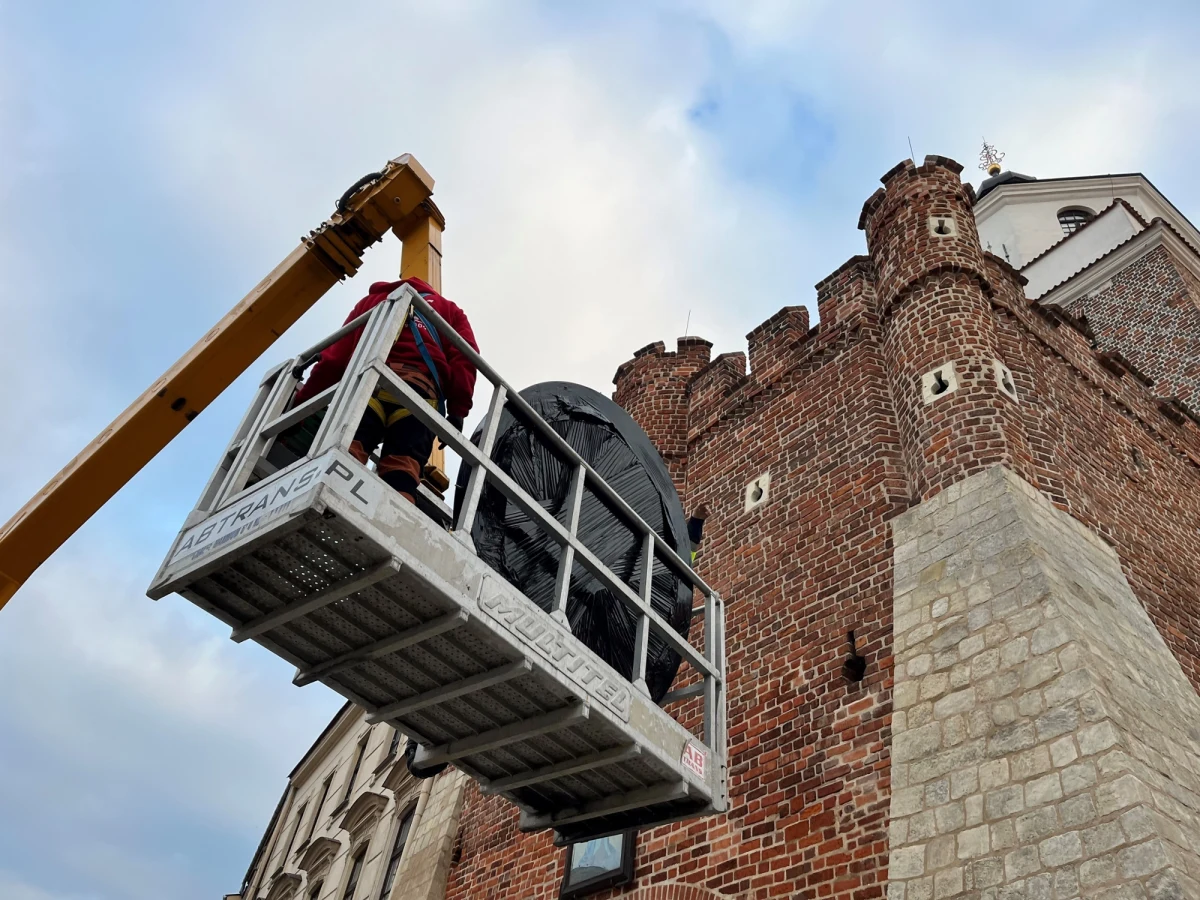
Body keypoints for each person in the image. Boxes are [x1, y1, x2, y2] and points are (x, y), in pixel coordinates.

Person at [293, 278, 478, 503]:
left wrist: (302, 404)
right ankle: (391, 524)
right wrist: (458, 411)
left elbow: (333, 360)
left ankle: (323, 502)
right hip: (419, 398)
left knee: (346, 451)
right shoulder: (449, 310)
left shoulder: (372, 302)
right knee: (403, 472)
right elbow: (465, 357)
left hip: (368, 387)